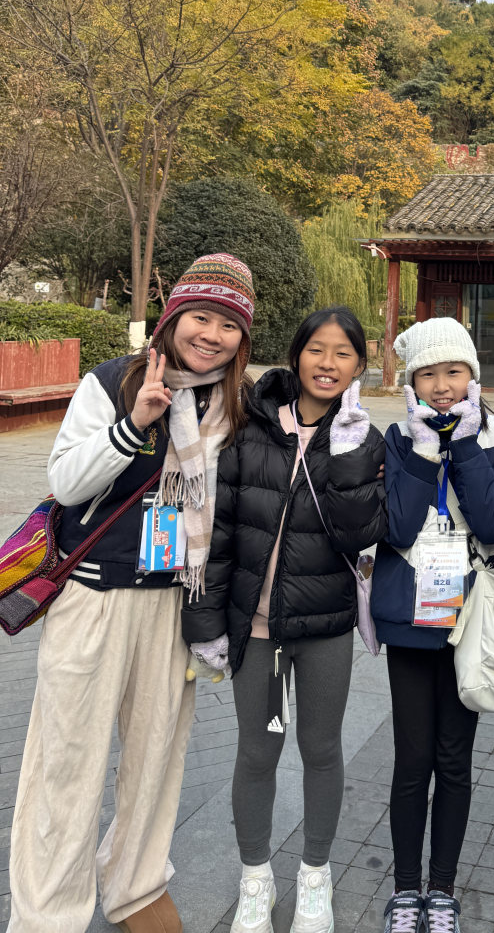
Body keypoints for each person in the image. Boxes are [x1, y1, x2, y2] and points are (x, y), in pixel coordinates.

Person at [8, 253, 256, 933]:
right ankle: (47, 912)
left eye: (228, 325)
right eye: (200, 317)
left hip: (174, 604)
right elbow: (66, 482)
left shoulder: (236, 403)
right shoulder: (113, 382)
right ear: (174, 316)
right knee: (66, 758)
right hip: (93, 596)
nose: (211, 335)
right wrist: (136, 423)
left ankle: (136, 886)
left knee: (155, 758)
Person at [182, 306, 388, 933]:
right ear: (296, 355)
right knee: (259, 750)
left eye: (343, 353)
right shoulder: (250, 430)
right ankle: (255, 878)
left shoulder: (364, 438)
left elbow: (363, 534)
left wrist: (348, 456)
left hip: (323, 629)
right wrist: (206, 623)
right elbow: (218, 533)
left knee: (321, 749)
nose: (328, 363)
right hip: (261, 634)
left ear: (359, 365)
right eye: (316, 349)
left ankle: (315, 876)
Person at [373, 318, 494, 933]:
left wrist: (463, 447)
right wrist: (423, 450)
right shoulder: (394, 437)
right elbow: (397, 527)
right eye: (428, 374)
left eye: (454, 372)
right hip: (412, 617)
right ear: (412, 382)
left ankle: (442, 891)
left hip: (471, 617)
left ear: (473, 376)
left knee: (454, 759)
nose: (442, 386)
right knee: (412, 759)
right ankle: (405, 891)